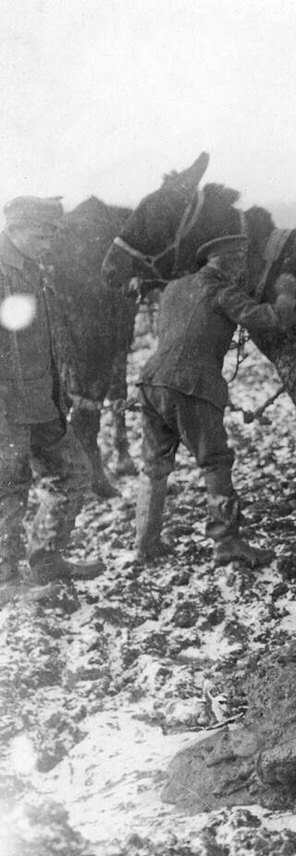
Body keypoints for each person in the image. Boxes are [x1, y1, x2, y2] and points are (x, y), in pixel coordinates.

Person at [134, 235, 296, 566]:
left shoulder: (175, 288)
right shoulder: (221, 289)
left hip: (151, 381)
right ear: (228, 262)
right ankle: (227, 542)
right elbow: (273, 320)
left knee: (154, 466)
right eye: (239, 262)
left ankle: (145, 544)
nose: (242, 269)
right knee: (215, 462)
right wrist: (285, 296)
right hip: (192, 386)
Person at [0, 196, 105, 590]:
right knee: (8, 490)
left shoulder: (30, 271)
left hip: (41, 401)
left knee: (74, 472)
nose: (48, 244)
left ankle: (46, 559)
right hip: (5, 405)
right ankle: (5, 581)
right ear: (16, 229)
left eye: (52, 235)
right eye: (42, 235)